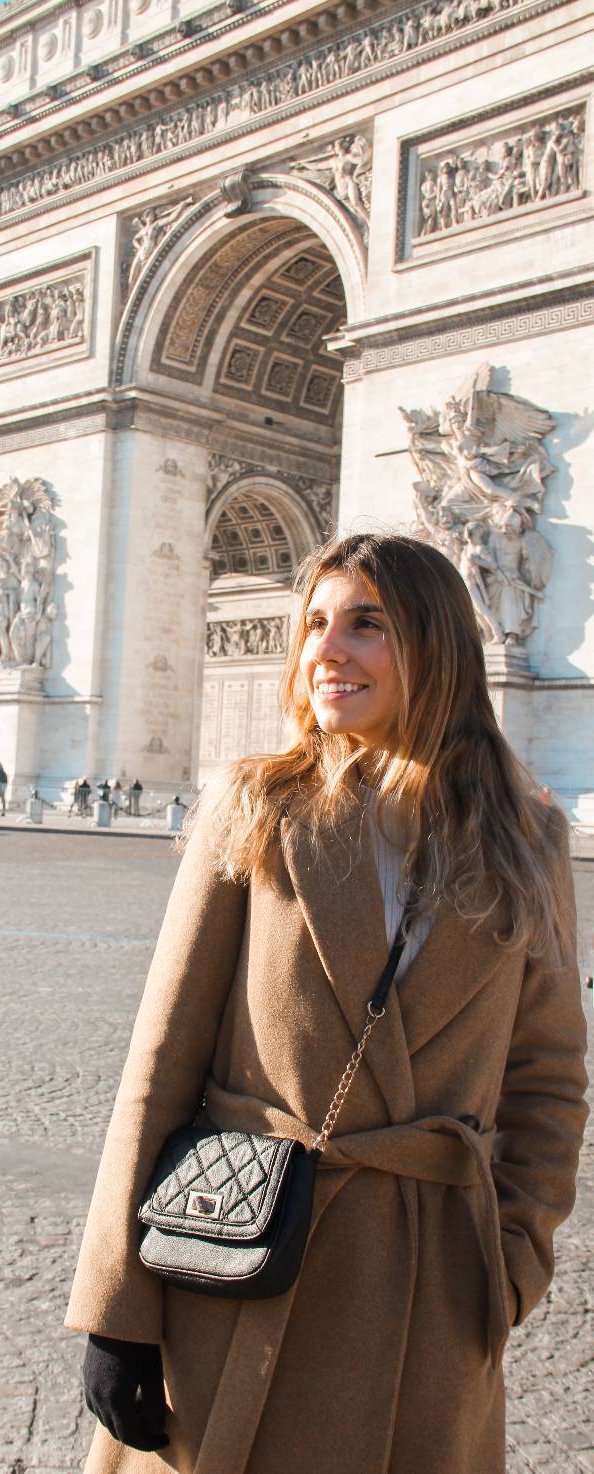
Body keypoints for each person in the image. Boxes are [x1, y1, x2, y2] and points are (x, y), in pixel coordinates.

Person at [66, 533, 588, 1474]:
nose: (325, 650)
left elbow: (549, 1078)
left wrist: (509, 1263)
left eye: (365, 625)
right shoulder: (255, 803)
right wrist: (117, 1311)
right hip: (242, 1270)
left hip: (430, 1292)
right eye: (312, 624)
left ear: (440, 648)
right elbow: (163, 1061)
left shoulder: (531, 839)